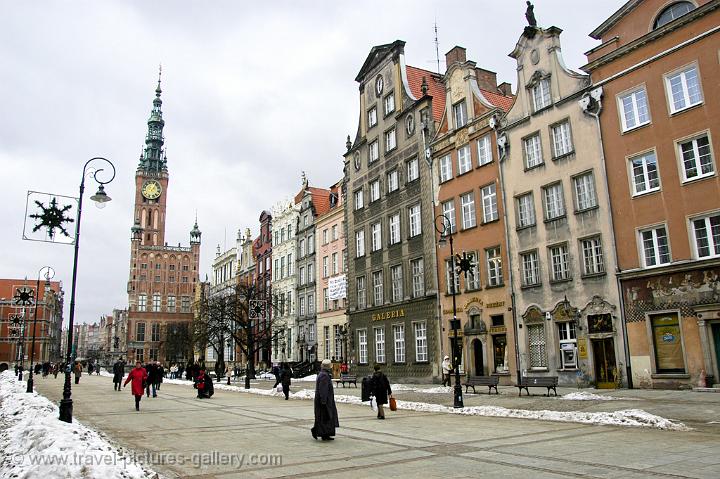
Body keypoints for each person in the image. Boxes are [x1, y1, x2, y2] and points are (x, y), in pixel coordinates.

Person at [311, 359, 339, 441]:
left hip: (324, 400)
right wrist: (323, 401)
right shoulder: (324, 376)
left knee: (324, 417)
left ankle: (325, 433)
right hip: (324, 401)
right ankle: (320, 432)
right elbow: (323, 389)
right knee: (326, 417)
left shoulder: (323, 374)